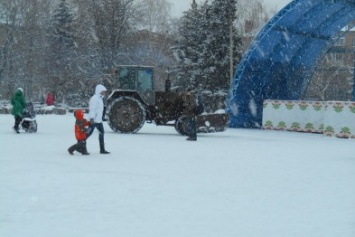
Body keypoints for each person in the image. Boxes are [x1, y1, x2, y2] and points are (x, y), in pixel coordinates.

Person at [87, 84, 110, 154]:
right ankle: (79, 146)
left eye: (104, 92)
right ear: (99, 91)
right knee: (88, 134)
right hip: (93, 120)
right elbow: (92, 109)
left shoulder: (100, 99)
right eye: (103, 92)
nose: (104, 93)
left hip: (98, 120)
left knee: (101, 133)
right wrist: (92, 118)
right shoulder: (94, 99)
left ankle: (102, 149)